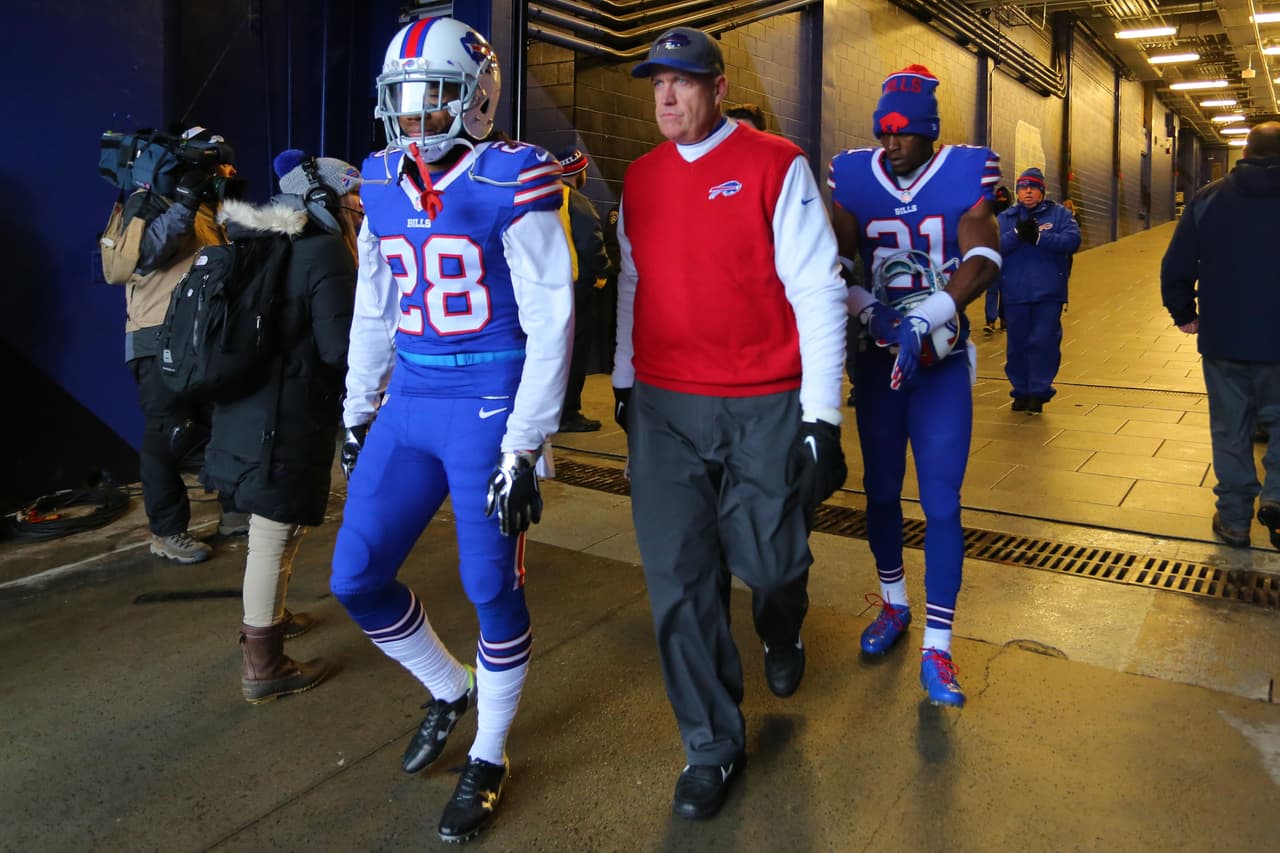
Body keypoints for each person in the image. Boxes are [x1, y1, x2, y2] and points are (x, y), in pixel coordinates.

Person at [328, 17, 573, 843]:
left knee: (490, 586)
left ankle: (492, 751)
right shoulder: (380, 176)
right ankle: (447, 686)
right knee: (355, 573)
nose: (414, 119)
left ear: (476, 100)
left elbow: (551, 316)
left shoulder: (513, 175)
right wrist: (359, 406)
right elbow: (375, 301)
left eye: (432, 101)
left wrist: (527, 442)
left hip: (489, 396)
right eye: (401, 103)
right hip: (413, 393)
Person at [613, 27, 848, 820]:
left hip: (765, 400)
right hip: (665, 407)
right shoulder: (639, 180)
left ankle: (782, 626)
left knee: (772, 562)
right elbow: (633, 283)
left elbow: (816, 288)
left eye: (681, 82)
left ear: (716, 87)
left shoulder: (775, 165)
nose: (665, 98)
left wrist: (823, 416)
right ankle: (712, 745)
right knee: (679, 580)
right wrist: (621, 377)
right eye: (656, 85)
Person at [828, 64, 1002, 708]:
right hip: (878, 360)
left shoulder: (966, 172)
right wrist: (866, 307)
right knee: (877, 494)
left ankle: (939, 642)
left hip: (939, 362)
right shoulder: (851, 174)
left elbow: (983, 255)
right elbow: (837, 258)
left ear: (930, 133)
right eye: (882, 131)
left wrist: (931, 314)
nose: (890, 142)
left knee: (943, 502)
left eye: (903, 132)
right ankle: (895, 603)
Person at [200, 150, 361, 703]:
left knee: (274, 528)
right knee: (272, 532)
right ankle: (263, 664)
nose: (359, 208)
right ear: (323, 199)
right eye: (351, 198)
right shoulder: (322, 252)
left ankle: (266, 617)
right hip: (286, 415)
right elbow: (339, 348)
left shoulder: (253, 240)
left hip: (245, 406)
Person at [120, 126, 242, 563]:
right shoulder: (145, 203)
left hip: (205, 338)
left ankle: (234, 513)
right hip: (157, 337)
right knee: (168, 434)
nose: (229, 171)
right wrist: (186, 203)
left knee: (226, 423)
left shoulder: (209, 212)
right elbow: (141, 257)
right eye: (221, 165)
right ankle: (168, 531)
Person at [1161, 121, 1280, 550]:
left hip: (1225, 338)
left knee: (1231, 429)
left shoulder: (1209, 198)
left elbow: (1177, 263)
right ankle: (1278, 498)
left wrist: (1183, 312)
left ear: (1244, 152)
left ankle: (1234, 521)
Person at [996, 167, 1080, 413]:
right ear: (1018, 192)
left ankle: (1039, 392)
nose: (1028, 192)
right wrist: (1016, 235)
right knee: (1018, 345)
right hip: (1015, 293)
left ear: (1042, 190)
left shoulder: (1060, 215)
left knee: (1043, 342)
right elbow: (994, 246)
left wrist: (1039, 238)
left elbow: (1072, 241)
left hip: (1048, 293)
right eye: (1023, 188)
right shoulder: (1007, 218)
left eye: (1033, 187)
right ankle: (1021, 391)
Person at [555, 146, 615, 433]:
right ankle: (568, 413)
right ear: (578, 172)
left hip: (541, 292)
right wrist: (605, 272)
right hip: (574, 290)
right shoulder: (575, 201)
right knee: (574, 354)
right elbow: (592, 245)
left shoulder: (539, 198)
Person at [982, 184, 1013, 334]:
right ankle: (991, 320)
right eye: (999, 197)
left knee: (1006, 290)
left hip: (1008, 257)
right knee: (992, 289)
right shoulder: (989, 215)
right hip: (993, 257)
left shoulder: (1013, 216)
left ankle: (1004, 319)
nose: (1001, 199)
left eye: (1003, 197)